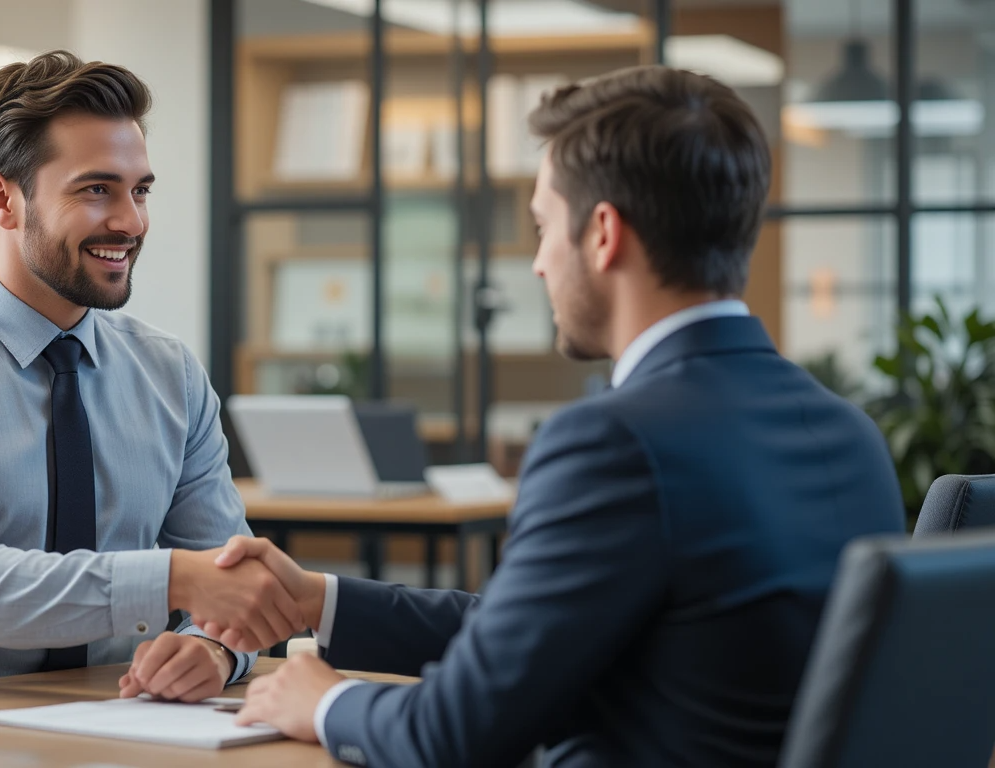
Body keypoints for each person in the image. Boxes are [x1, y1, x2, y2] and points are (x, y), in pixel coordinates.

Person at [206, 66, 906, 767]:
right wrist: (320, 601)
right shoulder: (849, 432)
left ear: (603, 234)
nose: (539, 264)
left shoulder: (615, 441)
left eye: (544, 227)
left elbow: (454, 734)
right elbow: (529, 635)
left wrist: (323, 703)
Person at [0, 51, 301, 693]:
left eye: (139, 191)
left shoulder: (170, 374)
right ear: (3, 200)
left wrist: (212, 649)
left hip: (120, 726)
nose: (131, 222)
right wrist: (173, 580)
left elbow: (235, 590)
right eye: (96, 189)